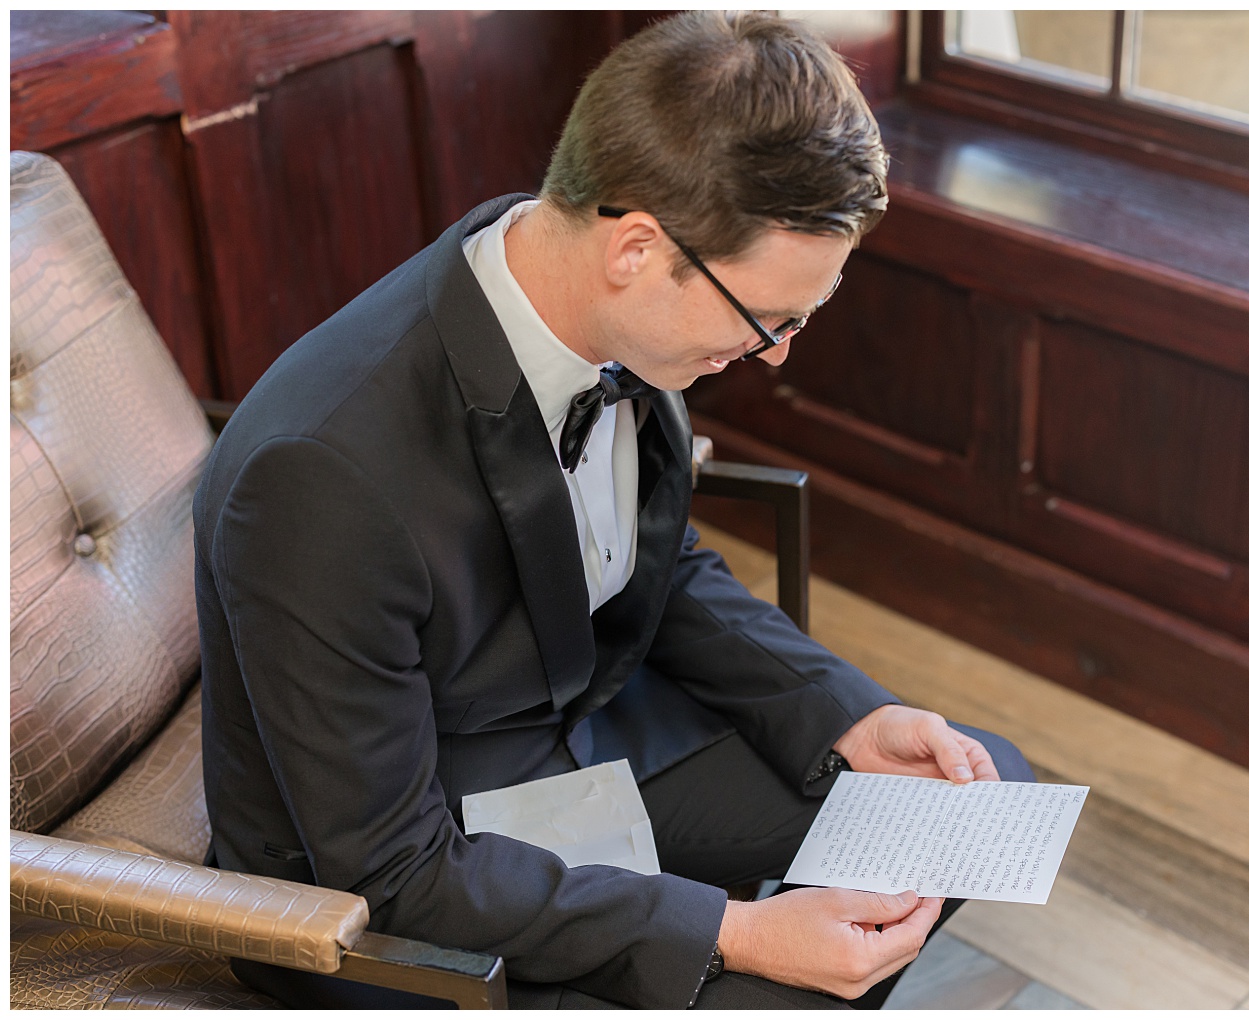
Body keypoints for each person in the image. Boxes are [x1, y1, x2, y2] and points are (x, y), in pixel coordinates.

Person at [194, 10, 1035, 1010]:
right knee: (787, 993)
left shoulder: (603, 302)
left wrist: (849, 717)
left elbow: (658, 566)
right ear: (635, 246)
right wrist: (737, 933)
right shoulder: (321, 477)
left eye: (802, 317)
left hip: (582, 723)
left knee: (976, 803)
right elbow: (388, 871)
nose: (776, 355)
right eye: (768, 318)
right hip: (421, 863)